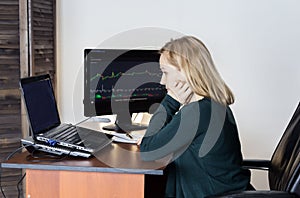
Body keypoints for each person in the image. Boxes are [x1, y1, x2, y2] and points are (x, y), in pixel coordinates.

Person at [139, 36, 251, 198]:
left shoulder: (196, 114)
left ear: (186, 72)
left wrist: (171, 101)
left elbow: (148, 150)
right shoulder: (212, 106)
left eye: (165, 72)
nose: (162, 81)